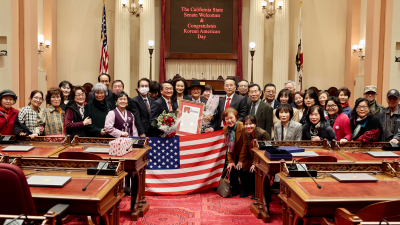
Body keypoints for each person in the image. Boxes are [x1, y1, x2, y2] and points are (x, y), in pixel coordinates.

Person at [239, 115, 271, 198]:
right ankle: (249, 191)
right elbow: (246, 146)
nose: (248, 126)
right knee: (241, 167)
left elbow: (267, 150)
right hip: (252, 158)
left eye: (251, 124)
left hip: (264, 159)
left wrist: (255, 163)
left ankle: (263, 195)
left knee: (253, 172)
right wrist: (240, 161)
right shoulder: (246, 133)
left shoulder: (262, 133)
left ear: (255, 124)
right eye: (246, 124)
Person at [223, 108, 250, 197]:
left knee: (241, 168)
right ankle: (235, 188)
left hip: (246, 155)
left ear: (236, 117)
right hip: (235, 155)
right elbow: (227, 146)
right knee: (232, 169)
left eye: (231, 118)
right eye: (227, 119)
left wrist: (240, 161)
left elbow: (245, 146)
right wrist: (231, 161)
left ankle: (245, 190)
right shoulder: (226, 129)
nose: (229, 120)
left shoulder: (242, 127)